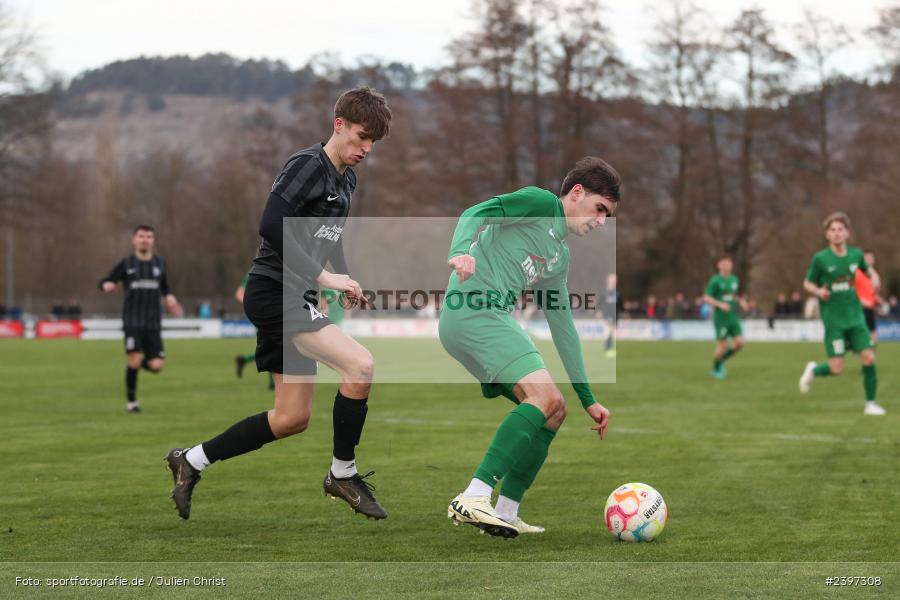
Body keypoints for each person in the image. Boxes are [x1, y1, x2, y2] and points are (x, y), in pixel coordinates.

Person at [165, 86, 392, 520]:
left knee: (290, 418)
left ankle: (190, 461)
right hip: (274, 292)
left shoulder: (347, 179)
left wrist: (341, 278)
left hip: (299, 294)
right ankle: (342, 473)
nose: (366, 148)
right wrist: (322, 275)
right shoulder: (308, 165)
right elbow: (270, 224)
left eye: (373, 143)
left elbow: (329, 239)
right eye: (361, 136)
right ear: (338, 125)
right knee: (360, 366)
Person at [439, 157, 615, 538]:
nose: (601, 221)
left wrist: (588, 398)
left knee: (555, 410)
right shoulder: (540, 203)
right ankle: (474, 495)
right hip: (474, 311)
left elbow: (562, 325)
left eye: (608, 216)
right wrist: (461, 251)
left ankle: (505, 511)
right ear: (577, 193)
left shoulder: (559, 255)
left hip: (485, 319)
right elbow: (476, 211)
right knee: (542, 396)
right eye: (600, 209)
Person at [798, 212, 885, 415]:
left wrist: (874, 275)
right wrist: (819, 291)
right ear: (827, 235)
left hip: (856, 318)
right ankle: (813, 370)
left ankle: (870, 404)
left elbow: (867, 269)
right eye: (832, 230)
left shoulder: (855, 255)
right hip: (834, 322)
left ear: (847, 233)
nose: (836, 233)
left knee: (869, 358)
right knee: (836, 369)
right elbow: (807, 283)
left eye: (840, 229)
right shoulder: (820, 259)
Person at [100, 225, 183, 413]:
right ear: (134, 240)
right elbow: (106, 280)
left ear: (153, 241)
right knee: (135, 359)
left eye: (149, 236)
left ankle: (135, 362)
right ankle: (132, 403)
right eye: (141, 236)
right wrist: (107, 284)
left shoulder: (160, 263)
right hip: (132, 321)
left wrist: (169, 297)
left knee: (156, 366)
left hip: (153, 323)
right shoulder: (127, 263)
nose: (145, 239)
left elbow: (165, 287)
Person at [702, 255, 748, 379]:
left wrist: (741, 301)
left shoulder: (735, 279)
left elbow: (733, 295)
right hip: (721, 318)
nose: (727, 265)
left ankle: (722, 361)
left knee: (740, 343)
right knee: (722, 346)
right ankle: (716, 369)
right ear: (719, 265)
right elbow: (706, 297)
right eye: (724, 263)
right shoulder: (715, 280)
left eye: (728, 263)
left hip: (733, 317)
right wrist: (719, 304)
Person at [234, 272, 275, 390]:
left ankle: (244, 360)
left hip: (266, 313)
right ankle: (271, 383)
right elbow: (239, 294)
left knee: (271, 347)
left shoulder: (261, 270)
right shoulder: (255, 272)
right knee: (273, 346)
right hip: (263, 314)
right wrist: (254, 304)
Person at [855, 251, 882, 345]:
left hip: (870, 309)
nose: (869, 261)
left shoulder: (874, 276)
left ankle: (869, 357)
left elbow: (872, 292)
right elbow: (850, 291)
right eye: (866, 259)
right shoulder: (856, 273)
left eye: (871, 259)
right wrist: (860, 300)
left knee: (874, 338)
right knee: (859, 337)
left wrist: (877, 299)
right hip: (858, 309)